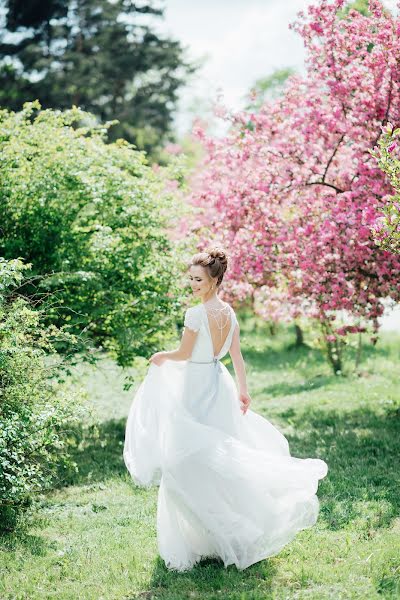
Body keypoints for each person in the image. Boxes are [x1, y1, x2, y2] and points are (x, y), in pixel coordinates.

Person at [123, 246, 328, 572]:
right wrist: (243, 390)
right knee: (216, 452)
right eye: (191, 278)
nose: (193, 284)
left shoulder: (196, 314)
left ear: (215, 279)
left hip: (198, 385)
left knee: (187, 455)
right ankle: (218, 535)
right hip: (219, 383)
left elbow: (184, 354)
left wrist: (161, 356)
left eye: (199, 279)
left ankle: (212, 535)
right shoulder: (229, 313)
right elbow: (236, 357)